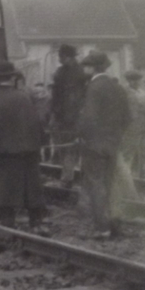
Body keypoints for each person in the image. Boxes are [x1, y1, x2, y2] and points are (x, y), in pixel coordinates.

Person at [0, 63, 48, 233]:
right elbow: (36, 124)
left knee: (3, 184)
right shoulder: (23, 97)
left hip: (1, 152)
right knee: (31, 184)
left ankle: (7, 219)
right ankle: (36, 221)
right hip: (26, 151)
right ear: (13, 78)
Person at [77, 50, 131, 239]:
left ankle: (102, 228)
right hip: (113, 144)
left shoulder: (93, 87)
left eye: (86, 65)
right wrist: (115, 137)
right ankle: (116, 224)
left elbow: (89, 118)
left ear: (94, 68)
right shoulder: (118, 87)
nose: (84, 68)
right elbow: (127, 118)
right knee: (111, 184)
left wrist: (82, 136)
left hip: (95, 145)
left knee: (96, 184)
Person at [50, 44, 87, 187]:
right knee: (69, 147)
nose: (60, 59)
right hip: (69, 116)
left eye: (61, 57)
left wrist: (56, 113)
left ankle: (67, 178)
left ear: (68, 57)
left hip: (70, 117)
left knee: (69, 146)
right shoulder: (78, 72)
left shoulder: (68, 73)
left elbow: (58, 97)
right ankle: (69, 175)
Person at [121, 70, 145, 178]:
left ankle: (143, 176)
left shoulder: (144, 93)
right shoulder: (124, 93)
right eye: (132, 81)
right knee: (129, 153)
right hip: (130, 129)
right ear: (128, 81)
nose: (135, 83)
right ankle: (127, 178)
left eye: (137, 80)